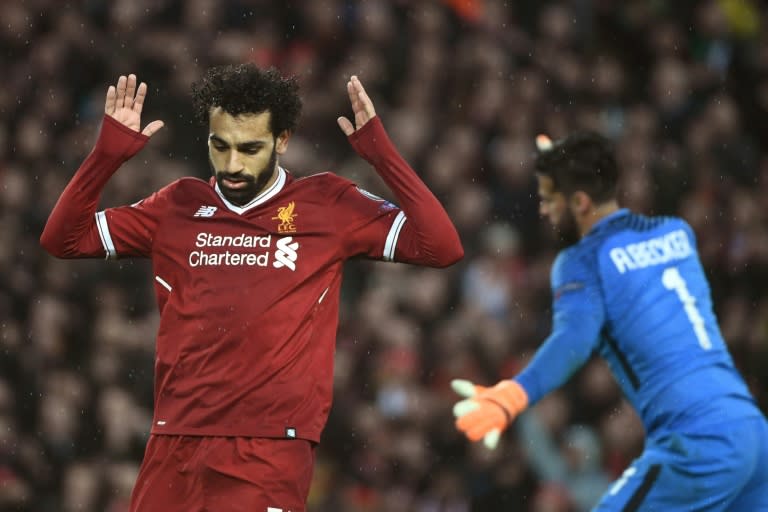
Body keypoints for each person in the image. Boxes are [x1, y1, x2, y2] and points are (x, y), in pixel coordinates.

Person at [40, 65, 463, 511]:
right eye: (219, 146)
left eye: (250, 148)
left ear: (282, 140)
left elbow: (441, 246)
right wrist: (104, 158)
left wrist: (383, 158)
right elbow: (63, 240)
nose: (232, 164)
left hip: (269, 450)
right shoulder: (178, 206)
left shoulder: (328, 205)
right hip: (175, 441)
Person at [452, 132, 768, 510]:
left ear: (580, 202)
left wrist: (513, 395)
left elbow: (573, 343)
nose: (544, 212)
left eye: (552, 200)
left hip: (696, 442)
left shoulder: (583, 261)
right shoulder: (676, 233)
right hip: (751, 430)